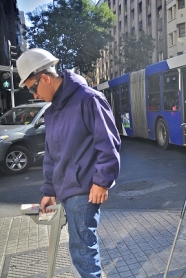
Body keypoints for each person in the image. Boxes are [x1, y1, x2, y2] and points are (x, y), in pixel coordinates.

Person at [16, 48, 121, 278]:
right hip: (67, 191)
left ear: (44, 77)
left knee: (83, 253)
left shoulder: (88, 98)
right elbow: (53, 156)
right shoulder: (52, 111)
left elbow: (108, 145)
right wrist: (49, 190)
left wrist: (102, 182)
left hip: (84, 192)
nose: (34, 94)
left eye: (33, 87)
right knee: (82, 252)